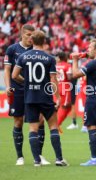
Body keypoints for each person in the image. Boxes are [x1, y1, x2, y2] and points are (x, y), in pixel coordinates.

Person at [12, 30, 68, 166]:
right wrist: (58, 97)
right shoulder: (49, 58)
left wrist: (26, 82)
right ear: (44, 42)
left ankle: (36, 161)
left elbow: (14, 76)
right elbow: (53, 80)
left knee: (33, 129)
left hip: (30, 97)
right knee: (53, 126)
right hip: (45, 97)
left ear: (32, 41)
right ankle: (59, 159)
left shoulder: (23, 57)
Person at [4, 24, 50, 166]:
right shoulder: (12, 49)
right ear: (21, 35)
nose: (30, 38)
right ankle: (20, 157)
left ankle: (39, 155)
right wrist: (8, 86)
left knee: (40, 121)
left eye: (32, 35)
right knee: (18, 121)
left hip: (35, 90)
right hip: (18, 90)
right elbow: (7, 70)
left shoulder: (36, 49)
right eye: (28, 35)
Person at [56, 52, 72, 132]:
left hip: (56, 87)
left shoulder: (55, 65)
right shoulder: (67, 65)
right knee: (65, 107)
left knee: (66, 107)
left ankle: (57, 124)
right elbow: (69, 77)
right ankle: (57, 125)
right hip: (65, 88)